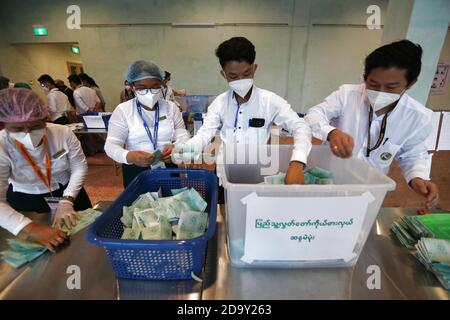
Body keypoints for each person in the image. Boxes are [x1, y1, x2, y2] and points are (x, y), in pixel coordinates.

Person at [305, 39, 439, 208]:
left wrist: (417, 177)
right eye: (373, 84)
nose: (379, 93)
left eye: (391, 87)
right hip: (329, 182)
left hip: (369, 192)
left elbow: (412, 153)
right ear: (365, 77)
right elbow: (313, 115)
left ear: (410, 83)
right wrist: (331, 132)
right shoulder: (347, 95)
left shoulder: (418, 117)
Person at [181, 37, 312, 184]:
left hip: (257, 177)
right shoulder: (219, 103)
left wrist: (297, 162)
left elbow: (301, 126)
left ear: (254, 68)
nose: (241, 80)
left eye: (246, 73)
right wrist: (186, 149)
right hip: (225, 177)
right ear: (223, 74)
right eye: (233, 76)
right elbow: (205, 133)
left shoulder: (269, 101)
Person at [0, 88, 92, 252]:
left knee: (83, 243)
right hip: (25, 201)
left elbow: (79, 166)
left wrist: (67, 200)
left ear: (45, 117)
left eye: (36, 126)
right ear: (5, 124)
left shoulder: (62, 133)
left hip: (69, 192)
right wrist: (31, 228)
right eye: (17, 129)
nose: (28, 134)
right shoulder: (2, 145)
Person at [105, 60, 191, 187]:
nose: (149, 92)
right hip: (135, 168)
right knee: (141, 205)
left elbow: (182, 134)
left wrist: (176, 147)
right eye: (142, 88)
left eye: (155, 86)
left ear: (162, 84)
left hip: (167, 165)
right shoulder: (124, 110)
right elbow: (111, 145)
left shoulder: (170, 108)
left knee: (170, 203)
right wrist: (129, 156)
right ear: (132, 86)